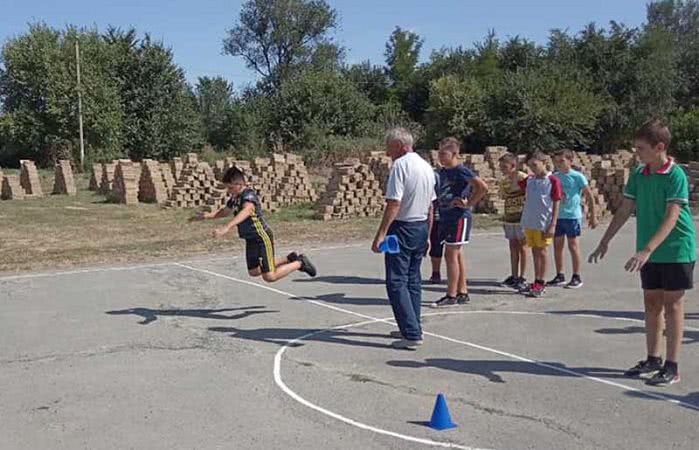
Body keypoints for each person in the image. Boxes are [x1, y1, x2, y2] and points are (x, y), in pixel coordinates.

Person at [589, 119, 696, 386]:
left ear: (659, 147)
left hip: (675, 249)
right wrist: (605, 240)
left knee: (672, 306)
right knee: (651, 304)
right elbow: (625, 209)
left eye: (641, 148)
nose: (637, 153)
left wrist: (646, 250)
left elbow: (672, 217)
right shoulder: (639, 173)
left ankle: (672, 366)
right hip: (649, 252)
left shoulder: (675, 175)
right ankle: (653, 358)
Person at [372, 127, 436, 350]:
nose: (387, 152)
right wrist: (428, 234)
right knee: (412, 279)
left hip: (401, 227)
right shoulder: (426, 166)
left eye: (388, 147)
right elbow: (430, 206)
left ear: (399, 145)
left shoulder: (400, 166)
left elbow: (394, 203)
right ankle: (412, 323)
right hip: (419, 226)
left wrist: (381, 234)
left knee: (396, 281)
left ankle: (411, 333)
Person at [195, 166, 317, 282]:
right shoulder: (235, 198)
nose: (228, 191)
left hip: (261, 237)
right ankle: (289, 259)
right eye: (227, 188)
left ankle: (300, 262)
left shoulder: (248, 195)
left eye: (230, 188)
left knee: (270, 277)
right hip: (250, 238)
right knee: (253, 271)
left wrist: (227, 227)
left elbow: (247, 210)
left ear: (240, 184)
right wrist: (206, 216)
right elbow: (225, 211)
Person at [432, 137, 488, 307]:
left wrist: (469, 203)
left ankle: (451, 294)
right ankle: (462, 290)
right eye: (439, 153)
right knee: (456, 254)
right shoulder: (443, 171)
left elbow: (482, 187)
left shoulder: (461, 170)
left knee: (450, 254)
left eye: (444, 154)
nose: (440, 157)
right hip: (445, 215)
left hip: (458, 217)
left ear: (455, 154)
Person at [548, 149, 598, 289]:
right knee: (557, 246)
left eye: (562, 161)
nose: (559, 164)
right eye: (556, 161)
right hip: (558, 216)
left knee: (573, 246)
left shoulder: (577, 176)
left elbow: (589, 196)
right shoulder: (554, 177)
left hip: (572, 216)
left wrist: (593, 216)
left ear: (570, 161)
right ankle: (560, 275)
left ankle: (576, 276)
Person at [519, 152, 562, 298]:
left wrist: (553, 224)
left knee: (542, 251)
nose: (532, 168)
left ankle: (541, 282)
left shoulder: (552, 180)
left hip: (544, 222)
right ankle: (536, 279)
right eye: (529, 165)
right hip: (530, 221)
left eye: (535, 165)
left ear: (544, 162)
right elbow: (516, 181)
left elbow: (556, 202)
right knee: (534, 251)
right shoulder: (529, 180)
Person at [497, 152, 529, 291]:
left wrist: (516, 182)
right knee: (513, 246)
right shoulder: (504, 181)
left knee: (523, 247)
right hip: (510, 215)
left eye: (505, 166)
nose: (502, 169)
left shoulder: (523, 177)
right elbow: (503, 195)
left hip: (522, 216)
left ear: (513, 166)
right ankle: (514, 275)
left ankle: (523, 276)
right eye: (501, 167)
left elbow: (528, 191)